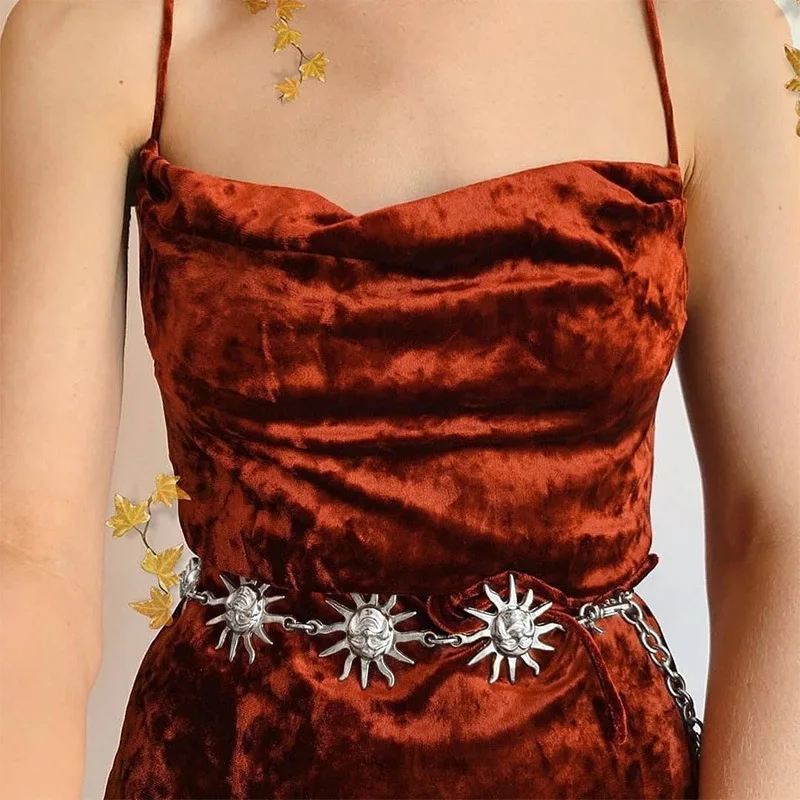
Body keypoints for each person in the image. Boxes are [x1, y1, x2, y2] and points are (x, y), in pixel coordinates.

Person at [1, 0, 798, 797]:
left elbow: (777, 531)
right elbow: (27, 549)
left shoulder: (720, 34)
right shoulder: (98, 28)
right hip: (225, 766)